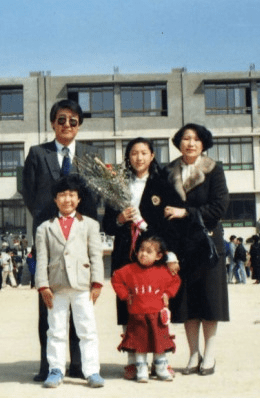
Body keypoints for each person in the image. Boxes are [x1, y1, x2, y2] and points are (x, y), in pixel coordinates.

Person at [22, 99, 99, 382]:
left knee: (80, 304)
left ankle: (79, 365)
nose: (67, 125)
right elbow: (29, 193)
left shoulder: (90, 155)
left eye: (73, 121)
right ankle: (49, 366)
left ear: (79, 125)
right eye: (62, 120)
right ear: (53, 123)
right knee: (50, 304)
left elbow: (94, 197)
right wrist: (50, 225)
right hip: (50, 237)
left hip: (79, 238)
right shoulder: (37, 153)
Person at [102, 137, 184, 379]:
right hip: (125, 254)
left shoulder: (163, 185)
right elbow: (107, 224)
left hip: (153, 255)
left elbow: (171, 225)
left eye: (144, 153)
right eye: (134, 153)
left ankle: (160, 359)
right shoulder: (117, 185)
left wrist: (169, 253)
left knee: (156, 306)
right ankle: (133, 360)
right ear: (128, 157)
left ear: (152, 156)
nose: (139, 157)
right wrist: (119, 219)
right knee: (129, 306)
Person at [163, 123, 229, 376]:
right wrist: (169, 251)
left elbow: (219, 207)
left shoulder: (214, 169)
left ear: (203, 144)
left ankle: (209, 355)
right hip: (181, 245)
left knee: (210, 300)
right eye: (186, 138)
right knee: (187, 303)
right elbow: (163, 209)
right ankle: (193, 354)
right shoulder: (168, 171)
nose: (190, 143)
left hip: (208, 244)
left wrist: (186, 212)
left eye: (196, 139)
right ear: (178, 142)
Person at [34, 175, 105, 388]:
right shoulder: (44, 228)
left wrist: (97, 283)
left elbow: (96, 255)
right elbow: (41, 259)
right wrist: (43, 285)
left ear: (79, 199)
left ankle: (92, 370)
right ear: (55, 199)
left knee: (87, 329)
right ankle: (56, 370)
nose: (67, 199)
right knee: (55, 330)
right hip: (55, 287)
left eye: (72, 195)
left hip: (82, 286)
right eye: (62, 195)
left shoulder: (90, 225)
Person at [111, 236, 181, 383]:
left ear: (159, 256)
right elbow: (116, 278)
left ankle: (161, 368)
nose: (143, 254)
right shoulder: (129, 270)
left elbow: (176, 280)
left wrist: (167, 294)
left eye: (149, 252)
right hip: (137, 316)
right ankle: (141, 369)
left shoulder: (163, 271)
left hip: (157, 316)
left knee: (159, 343)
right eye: (141, 250)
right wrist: (125, 295)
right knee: (140, 344)